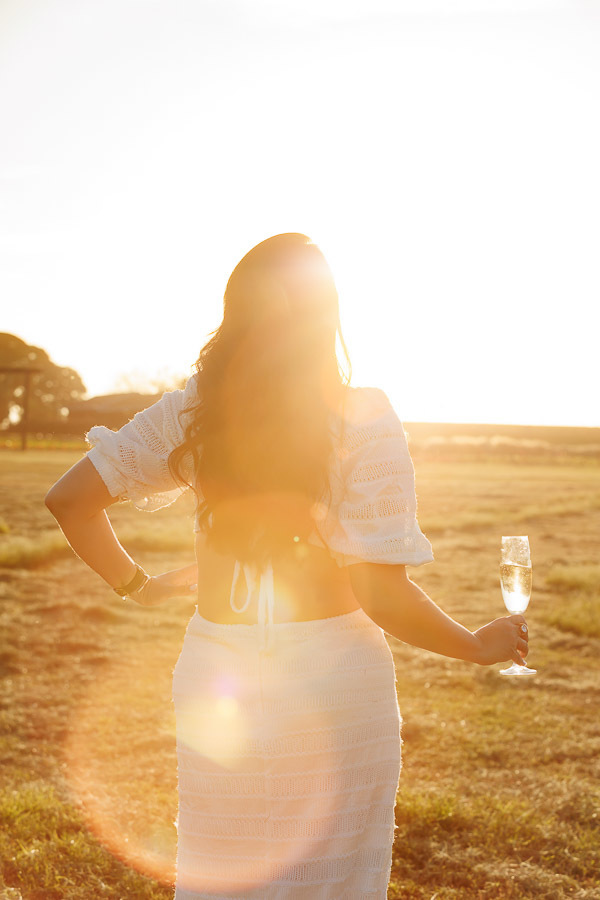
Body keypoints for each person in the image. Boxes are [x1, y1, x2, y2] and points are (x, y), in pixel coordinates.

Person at [45, 233, 530, 899]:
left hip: (219, 677)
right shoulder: (361, 417)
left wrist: (139, 587)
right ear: (327, 315)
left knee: (225, 876)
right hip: (333, 682)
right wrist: (476, 646)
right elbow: (380, 594)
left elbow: (69, 500)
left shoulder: (193, 410)